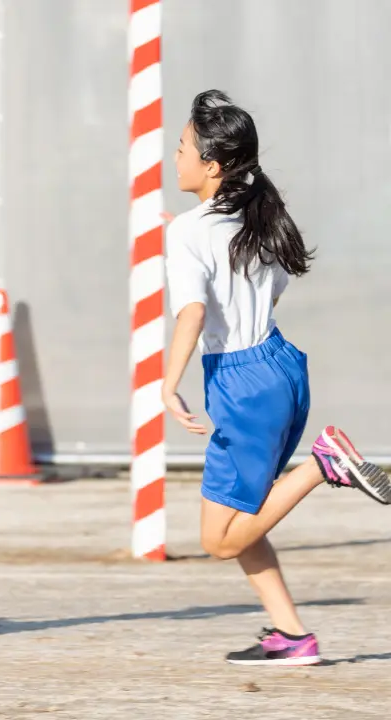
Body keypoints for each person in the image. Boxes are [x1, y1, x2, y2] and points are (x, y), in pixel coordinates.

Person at [163, 90, 391, 666]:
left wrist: (168, 384)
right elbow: (269, 283)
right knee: (244, 518)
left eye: (184, 146)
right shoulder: (255, 216)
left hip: (241, 384)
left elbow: (193, 312)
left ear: (211, 165)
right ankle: (292, 637)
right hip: (281, 367)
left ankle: (323, 465)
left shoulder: (190, 233)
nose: (176, 155)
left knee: (218, 540)